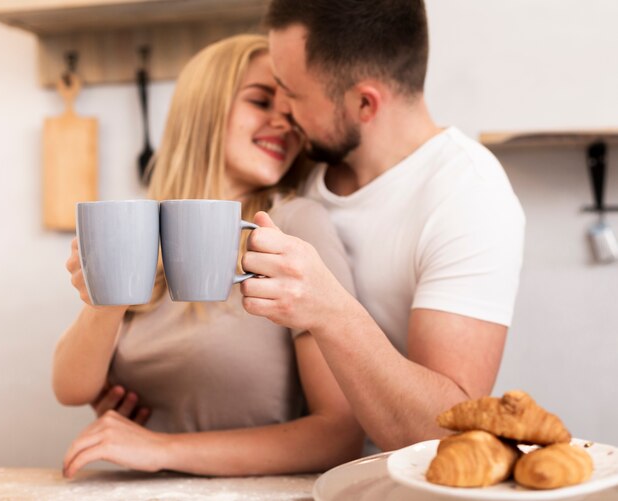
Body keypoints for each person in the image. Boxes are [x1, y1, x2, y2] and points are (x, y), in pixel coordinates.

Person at [52, 34, 363, 478]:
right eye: (261, 101)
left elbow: (339, 435)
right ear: (205, 105)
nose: (285, 122)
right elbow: (70, 387)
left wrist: (160, 448)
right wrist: (104, 300)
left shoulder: (292, 226)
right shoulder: (142, 225)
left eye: (292, 111)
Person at [240, 0, 526, 452]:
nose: (283, 112)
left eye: (293, 93)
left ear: (364, 103)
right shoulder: (299, 170)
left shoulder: (470, 194)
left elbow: (449, 432)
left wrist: (330, 308)